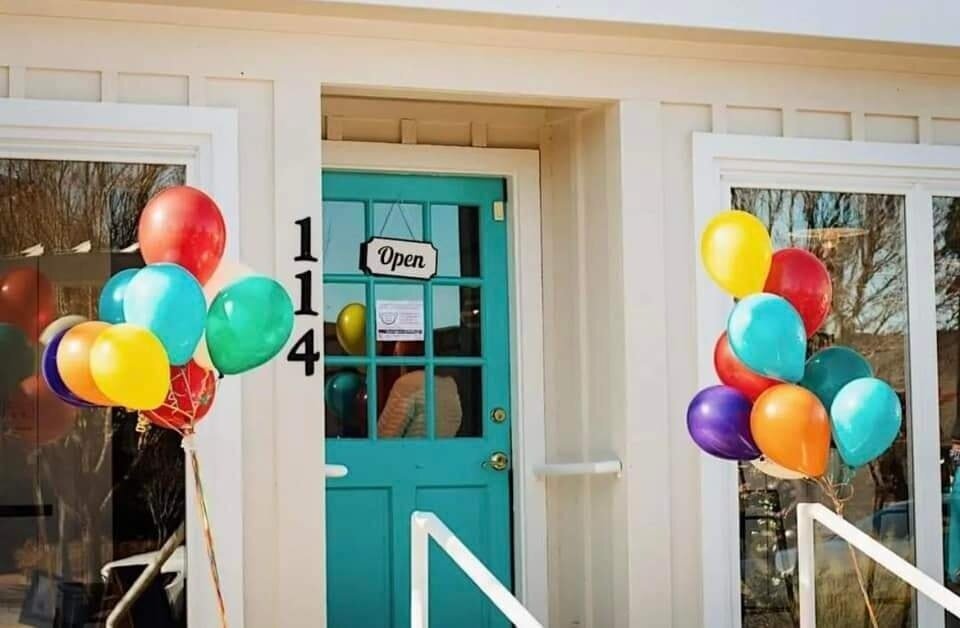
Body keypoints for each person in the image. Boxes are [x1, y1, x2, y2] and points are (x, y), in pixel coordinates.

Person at [377, 341, 462, 438]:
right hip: (443, 452)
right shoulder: (449, 383)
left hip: (410, 451)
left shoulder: (408, 383)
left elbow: (387, 435)